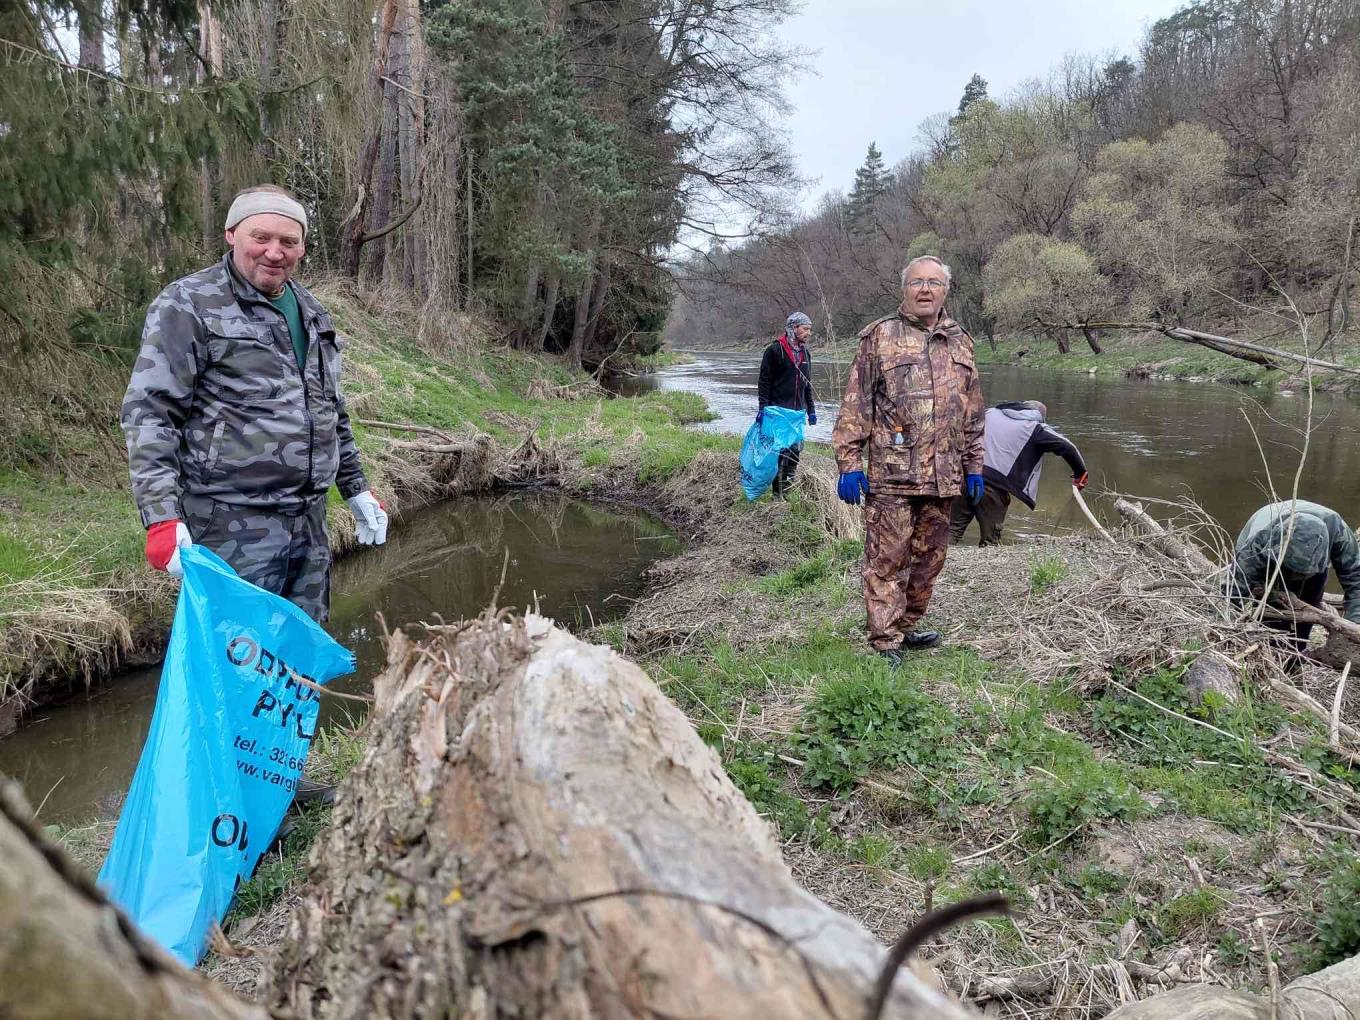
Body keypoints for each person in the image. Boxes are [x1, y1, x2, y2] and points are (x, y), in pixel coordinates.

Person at [121, 184, 388, 623]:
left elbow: (329, 410)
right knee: (235, 653)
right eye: (260, 237)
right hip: (229, 524)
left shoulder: (312, 311)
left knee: (300, 652)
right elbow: (151, 413)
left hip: (309, 525)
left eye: (288, 241)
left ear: (302, 247)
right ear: (231, 235)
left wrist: (356, 488)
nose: (274, 252)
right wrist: (161, 516)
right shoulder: (188, 303)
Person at [832, 255, 985, 664]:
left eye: (934, 283)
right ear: (904, 289)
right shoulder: (879, 336)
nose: (925, 289)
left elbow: (973, 413)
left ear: (945, 291)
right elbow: (856, 405)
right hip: (892, 476)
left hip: (944, 476)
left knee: (929, 560)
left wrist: (974, 467)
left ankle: (906, 625)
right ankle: (884, 639)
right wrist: (849, 464)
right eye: (917, 282)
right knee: (886, 560)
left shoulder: (962, 341)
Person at [949, 400, 1089, 546]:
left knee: (951, 531)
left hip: (964, 478)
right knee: (990, 541)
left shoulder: (990, 413)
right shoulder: (1036, 428)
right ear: (1039, 416)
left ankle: (943, 558)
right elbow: (1067, 447)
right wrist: (1081, 473)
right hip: (993, 488)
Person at [1228, 500, 1360, 652]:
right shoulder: (1259, 541)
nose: (1297, 577)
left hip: (1314, 566)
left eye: (1302, 574)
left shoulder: (1338, 532)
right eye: (1294, 572)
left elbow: (1356, 581)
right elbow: (1232, 593)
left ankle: (1297, 651)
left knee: (1311, 598)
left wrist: (1354, 626)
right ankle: (1270, 648)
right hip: (1271, 551)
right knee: (1271, 608)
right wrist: (1231, 632)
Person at [757, 311, 817, 498]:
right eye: (805, 329)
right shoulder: (775, 351)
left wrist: (811, 410)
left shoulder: (806, 353)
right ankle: (777, 495)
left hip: (797, 414)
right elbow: (764, 382)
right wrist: (763, 409)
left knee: (795, 453)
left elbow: (807, 384)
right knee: (780, 453)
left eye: (810, 329)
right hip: (777, 411)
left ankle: (787, 493)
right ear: (793, 328)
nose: (808, 333)